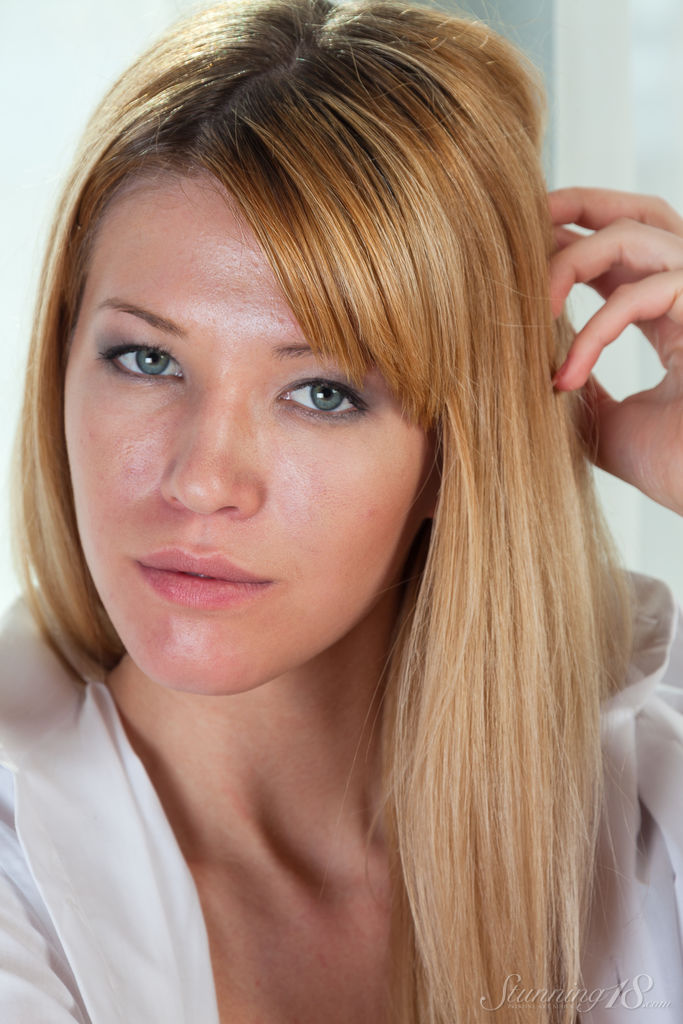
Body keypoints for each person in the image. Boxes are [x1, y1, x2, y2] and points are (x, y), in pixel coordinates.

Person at [0, 1, 681, 1021]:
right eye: (146, 359)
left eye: (322, 391)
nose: (200, 479)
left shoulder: (647, 821)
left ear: (456, 452)